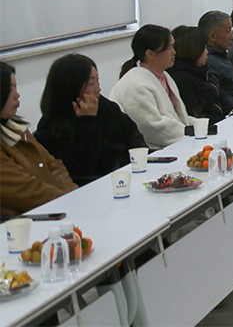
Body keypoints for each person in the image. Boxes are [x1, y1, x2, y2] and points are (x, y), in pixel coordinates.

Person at [34, 54, 146, 186]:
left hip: (126, 178)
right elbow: (80, 168)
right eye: (91, 83)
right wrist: (88, 121)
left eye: (97, 80)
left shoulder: (104, 106)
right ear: (71, 87)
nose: (98, 89)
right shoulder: (51, 125)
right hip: (91, 187)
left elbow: (133, 136)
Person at [1, 61, 78, 216]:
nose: (17, 94)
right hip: (25, 220)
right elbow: (26, 190)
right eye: (10, 89)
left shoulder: (16, 127)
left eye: (16, 87)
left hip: (56, 208)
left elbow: (54, 165)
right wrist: (70, 202)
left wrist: (74, 195)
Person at [111, 25, 202, 150]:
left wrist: (201, 126)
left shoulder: (164, 76)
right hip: (150, 151)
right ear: (150, 54)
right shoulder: (135, 84)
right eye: (169, 47)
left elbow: (178, 118)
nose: (174, 52)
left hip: (173, 142)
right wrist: (190, 133)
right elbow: (152, 126)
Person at [167, 25, 225, 125]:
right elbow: (196, 115)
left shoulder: (200, 71)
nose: (207, 52)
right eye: (204, 48)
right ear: (193, 50)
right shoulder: (182, 78)